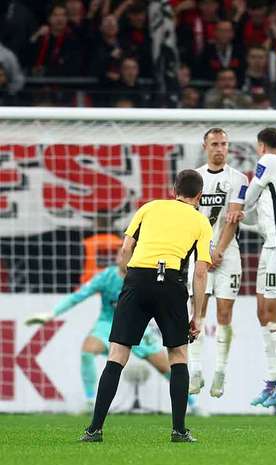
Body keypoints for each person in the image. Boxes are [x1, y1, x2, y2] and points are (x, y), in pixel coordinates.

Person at [80, 169, 213, 443]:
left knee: (117, 353)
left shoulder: (149, 207)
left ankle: (94, 430)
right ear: (199, 196)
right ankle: (178, 430)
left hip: (137, 278)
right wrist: (197, 316)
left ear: (173, 190)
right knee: (177, 355)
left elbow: (126, 249)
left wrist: (131, 280)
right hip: (172, 281)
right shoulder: (201, 222)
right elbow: (200, 273)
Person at [25, 261, 171, 411]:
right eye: (121, 253)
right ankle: (90, 401)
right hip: (108, 324)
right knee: (87, 351)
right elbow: (78, 296)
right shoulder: (106, 277)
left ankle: (192, 405)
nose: (124, 257)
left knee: (165, 367)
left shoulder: (144, 277)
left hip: (139, 325)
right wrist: (52, 313)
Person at [229, 128, 276, 407]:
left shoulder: (269, 162)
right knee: (263, 312)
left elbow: (248, 197)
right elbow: (263, 221)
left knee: (273, 314)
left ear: (261, 146)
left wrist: (236, 207)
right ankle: (273, 378)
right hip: (272, 245)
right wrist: (240, 220)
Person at [187, 128, 249, 399]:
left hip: (228, 254)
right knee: (197, 313)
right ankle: (195, 370)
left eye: (223, 144)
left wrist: (219, 251)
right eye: (214, 144)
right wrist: (204, 251)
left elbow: (233, 217)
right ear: (205, 146)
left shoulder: (238, 178)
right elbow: (188, 219)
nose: (219, 149)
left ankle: (220, 372)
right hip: (199, 252)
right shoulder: (194, 178)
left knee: (224, 313)